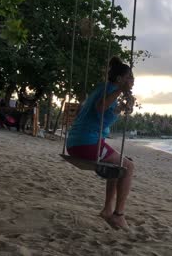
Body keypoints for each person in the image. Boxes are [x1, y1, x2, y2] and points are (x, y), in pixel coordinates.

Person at [66, 56, 135, 230]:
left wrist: (120, 108)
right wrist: (120, 90)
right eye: (129, 77)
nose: (132, 81)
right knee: (128, 166)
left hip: (79, 141)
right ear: (119, 79)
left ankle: (107, 210)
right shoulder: (111, 89)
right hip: (86, 143)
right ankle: (118, 215)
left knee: (117, 168)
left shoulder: (103, 88)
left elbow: (102, 115)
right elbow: (100, 108)